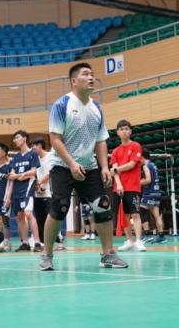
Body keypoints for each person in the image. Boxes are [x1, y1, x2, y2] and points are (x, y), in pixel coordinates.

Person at [39, 62, 128, 271]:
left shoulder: (96, 108)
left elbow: (101, 140)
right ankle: (46, 255)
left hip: (90, 166)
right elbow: (55, 139)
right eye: (86, 74)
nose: (91, 77)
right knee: (60, 206)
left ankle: (108, 255)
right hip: (62, 165)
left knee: (102, 206)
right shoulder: (61, 105)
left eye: (92, 74)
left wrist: (104, 167)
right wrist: (72, 163)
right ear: (73, 81)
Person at [111, 120, 146, 252]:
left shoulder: (136, 146)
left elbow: (132, 164)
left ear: (130, 131)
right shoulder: (115, 151)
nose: (124, 131)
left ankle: (138, 241)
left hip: (133, 187)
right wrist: (119, 183)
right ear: (118, 132)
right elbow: (114, 171)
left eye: (126, 129)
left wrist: (116, 169)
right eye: (121, 129)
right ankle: (130, 241)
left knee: (135, 214)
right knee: (124, 216)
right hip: (119, 188)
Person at [6, 130, 42, 252]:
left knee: (28, 213)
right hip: (16, 190)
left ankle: (37, 243)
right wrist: (18, 176)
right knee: (20, 216)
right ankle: (25, 242)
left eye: (17, 137)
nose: (15, 140)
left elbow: (33, 171)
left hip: (27, 188)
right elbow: (12, 175)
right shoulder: (15, 158)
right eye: (14, 138)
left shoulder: (33, 154)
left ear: (25, 138)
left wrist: (21, 175)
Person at [140, 148, 166, 244]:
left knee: (142, 210)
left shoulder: (146, 166)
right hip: (157, 192)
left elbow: (148, 180)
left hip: (149, 192)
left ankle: (147, 235)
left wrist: (138, 182)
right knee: (157, 215)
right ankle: (161, 236)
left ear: (142, 156)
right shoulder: (153, 165)